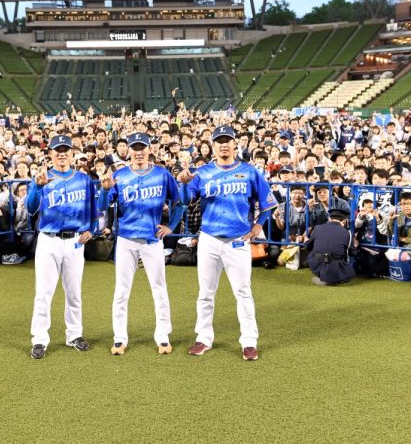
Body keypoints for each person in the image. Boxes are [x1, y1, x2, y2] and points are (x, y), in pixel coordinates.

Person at [178, 125, 277, 361]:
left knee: (243, 291)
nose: (224, 144)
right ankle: (203, 338)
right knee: (205, 293)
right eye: (219, 141)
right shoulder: (201, 173)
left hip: (237, 240)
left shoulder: (250, 172)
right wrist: (183, 182)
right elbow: (186, 201)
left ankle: (249, 341)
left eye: (228, 140)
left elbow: (268, 203)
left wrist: (258, 225)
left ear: (235, 144)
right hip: (210, 238)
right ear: (213, 145)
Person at [99, 132, 184, 356]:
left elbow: (178, 203)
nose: (138, 152)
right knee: (121, 290)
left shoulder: (162, 174)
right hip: (126, 239)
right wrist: (105, 189)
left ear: (149, 150)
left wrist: (171, 226)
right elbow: (102, 206)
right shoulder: (120, 175)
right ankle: (119, 337)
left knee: (159, 288)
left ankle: (163, 335)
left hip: (152, 239)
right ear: (128, 151)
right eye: (134, 148)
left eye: (142, 147)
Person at [26, 135, 97, 360]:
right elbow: (30, 209)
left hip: (75, 241)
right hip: (49, 239)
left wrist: (91, 229)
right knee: (44, 293)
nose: (62, 153)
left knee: (74, 292)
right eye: (58, 150)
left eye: (66, 149)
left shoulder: (84, 179)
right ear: (51, 153)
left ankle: (74, 334)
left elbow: (93, 211)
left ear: (72, 152)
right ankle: (39, 338)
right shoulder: (42, 177)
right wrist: (37, 187)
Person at [305, 208, 356, 286]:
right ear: (344, 221)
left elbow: (307, 246)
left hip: (316, 261)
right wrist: (356, 245)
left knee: (314, 254)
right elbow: (352, 252)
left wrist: (306, 241)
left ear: (329, 218)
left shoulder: (318, 228)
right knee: (350, 271)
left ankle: (322, 276)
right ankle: (330, 279)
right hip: (335, 265)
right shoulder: (347, 233)